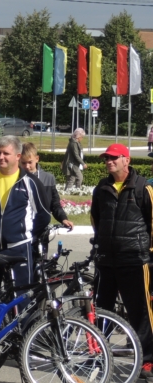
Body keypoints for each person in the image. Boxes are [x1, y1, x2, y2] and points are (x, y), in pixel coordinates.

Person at [89, 143, 153, 378]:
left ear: (127, 160)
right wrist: (101, 245)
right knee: (101, 312)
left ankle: (147, 361)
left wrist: (150, 254)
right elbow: (95, 218)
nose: (109, 161)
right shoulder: (101, 188)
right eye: (106, 158)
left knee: (140, 314)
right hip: (106, 261)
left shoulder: (142, 188)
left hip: (134, 261)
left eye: (114, 158)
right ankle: (99, 356)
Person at [0, 136, 51, 292]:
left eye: (6, 153)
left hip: (18, 248)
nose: (1, 157)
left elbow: (43, 215)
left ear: (18, 156)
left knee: (21, 299)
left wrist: (25, 233)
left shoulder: (31, 182)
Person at [19, 142, 74, 232]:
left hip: (41, 229)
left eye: (30, 162)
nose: (27, 166)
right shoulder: (16, 179)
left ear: (37, 159)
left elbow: (55, 204)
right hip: (21, 229)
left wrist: (63, 219)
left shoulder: (48, 178)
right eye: (23, 163)